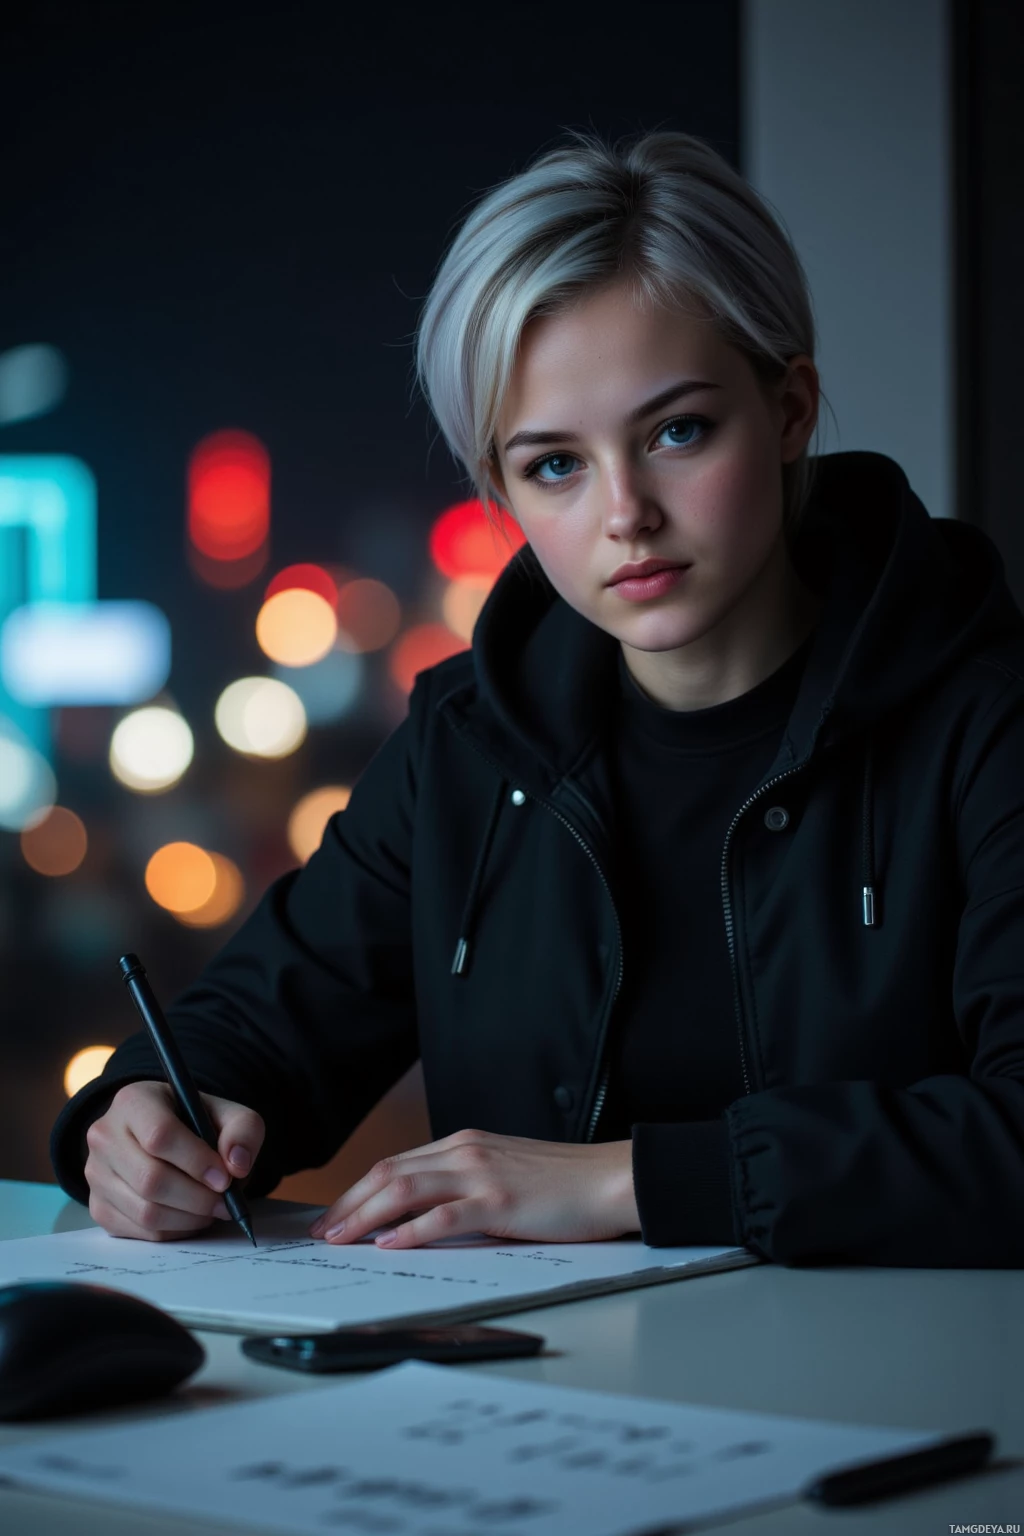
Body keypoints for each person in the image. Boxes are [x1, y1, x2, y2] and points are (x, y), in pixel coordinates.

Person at [51, 129, 1024, 1266]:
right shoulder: (471, 743)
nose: (626, 514)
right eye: (554, 464)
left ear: (791, 408)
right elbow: (254, 1027)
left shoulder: (985, 719)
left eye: (676, 431)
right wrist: (139, 1122)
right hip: (542, 1400)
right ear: (500, 487)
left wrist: (626, 1181)